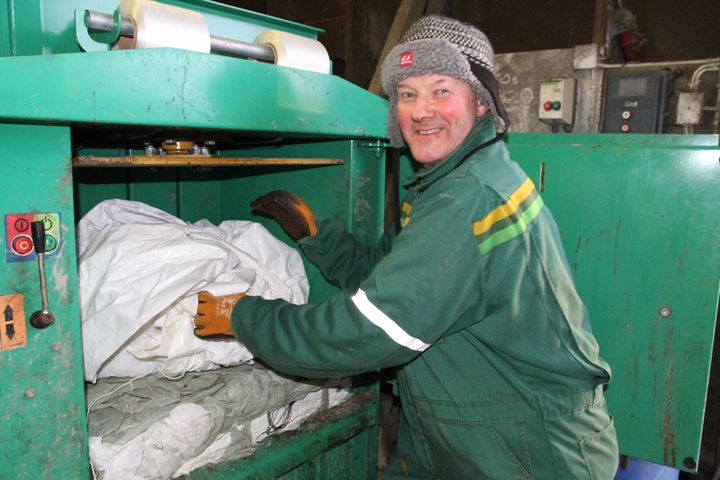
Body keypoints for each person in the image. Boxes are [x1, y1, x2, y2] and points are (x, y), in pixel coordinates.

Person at [194, 15, 619, 479]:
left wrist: (243, 316)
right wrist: (318, 238)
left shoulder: (469, 198)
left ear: (480, 103)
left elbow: (366, 331)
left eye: (441, 90)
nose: (421, 111)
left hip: (526, 451)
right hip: (466, 431)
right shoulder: (444, 185)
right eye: (407, 94)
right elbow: (390, 277)